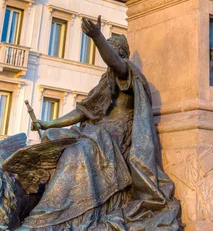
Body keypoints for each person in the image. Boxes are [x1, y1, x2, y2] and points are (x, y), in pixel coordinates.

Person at [20, 16, 180, 231]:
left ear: (120, 54)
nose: (108, 60)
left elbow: (115, 64)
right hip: (97, 133)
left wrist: (97, 38)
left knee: (80, 152)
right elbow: (82, 110)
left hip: (115, 138)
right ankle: (51, 214)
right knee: (57, 145)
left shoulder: (128, 73)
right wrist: (49, 124)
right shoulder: (104, 83)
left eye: (112, 52)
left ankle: (50, 218)